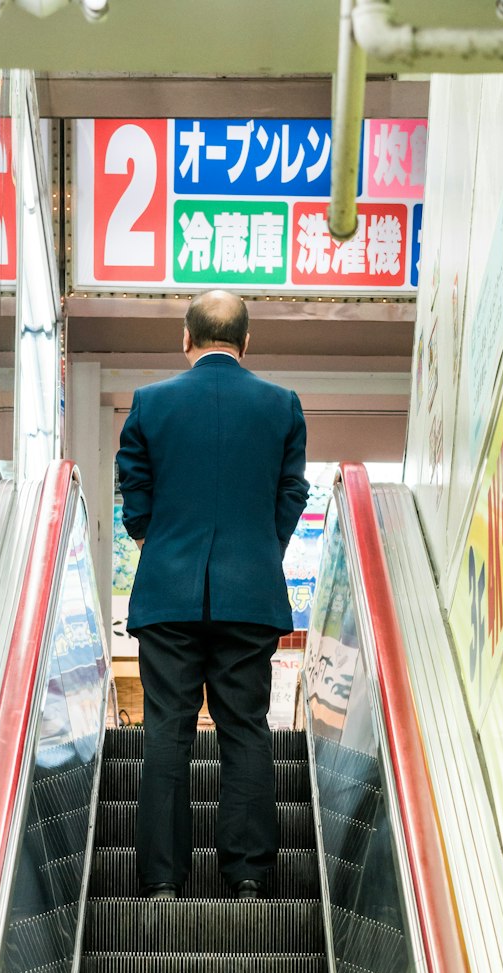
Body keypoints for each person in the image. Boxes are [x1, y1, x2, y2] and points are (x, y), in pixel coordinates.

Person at [116, 289, 309, 900]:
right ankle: (248, 876)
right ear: (246, 342)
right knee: (245, 729)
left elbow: (135, 492)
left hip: (168, 597)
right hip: (249, 598)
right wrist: (258, 552)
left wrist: (161, 543)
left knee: (167, 731)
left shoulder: (151, 404)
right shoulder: (282, 406)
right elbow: (291, 492)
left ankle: (162, 882)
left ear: (186, 338)